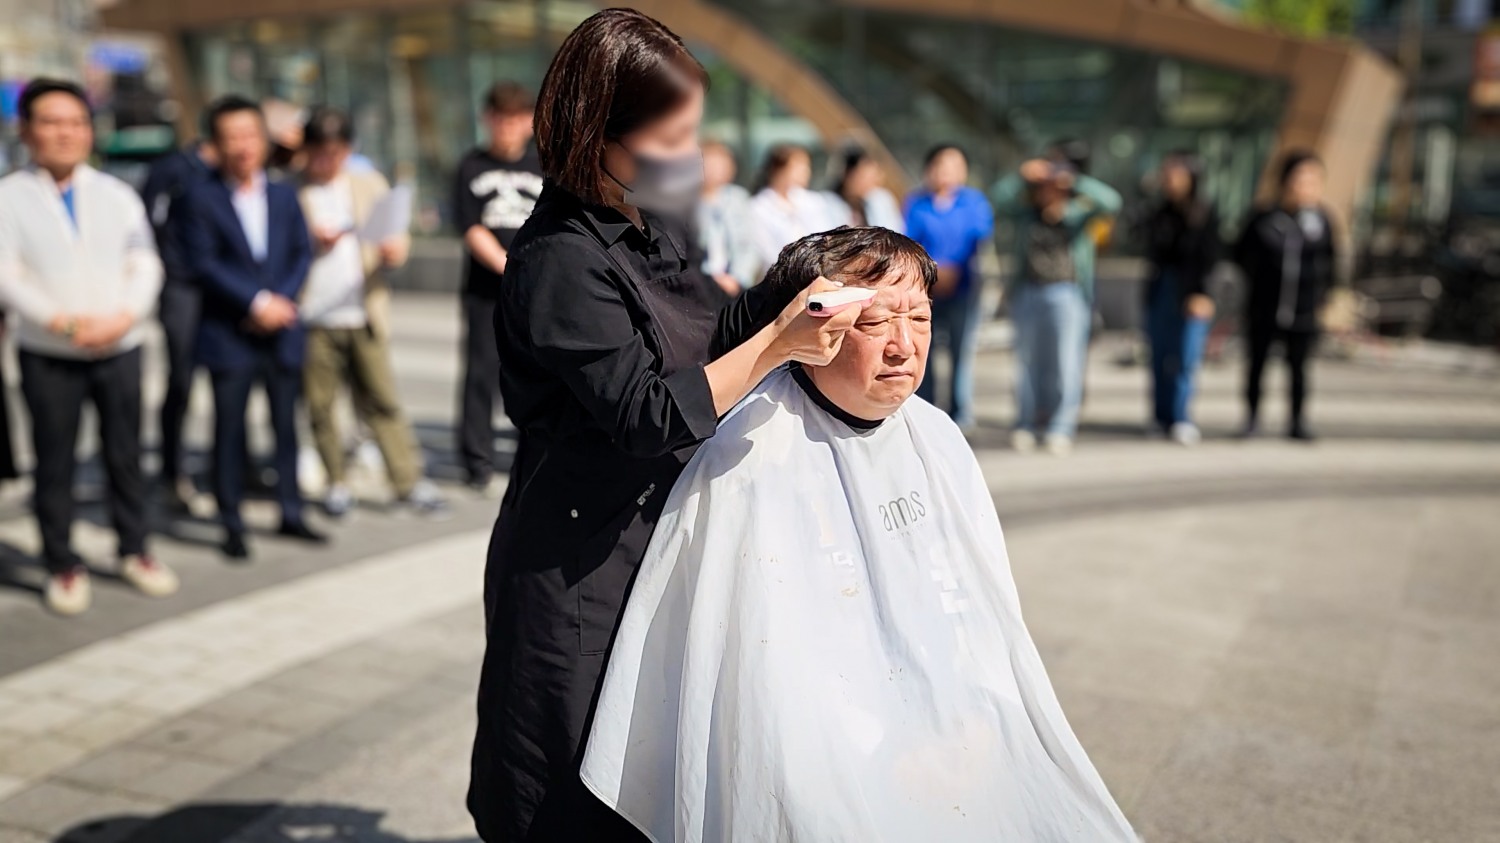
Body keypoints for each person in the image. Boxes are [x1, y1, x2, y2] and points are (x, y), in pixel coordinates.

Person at [581, 227, 1138, 842]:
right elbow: (762, 682)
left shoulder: (938, 438)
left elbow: (977, 615)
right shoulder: (749, 454)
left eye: (920, 319)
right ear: (814, 329)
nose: (904, 347)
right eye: (875, 325)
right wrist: (878, 743)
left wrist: (967, 714)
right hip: (816, 739)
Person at [465, 11, 861, 841]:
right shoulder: (557, 261)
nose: (686, 154)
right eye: (668, 136)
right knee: (566, 784)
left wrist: (798, 288)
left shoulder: (653, 216)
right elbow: (647, 412)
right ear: (596, 130)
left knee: (650, 772)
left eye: (691, 133)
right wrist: (777, 346)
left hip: (659, 538)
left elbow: (708, 328)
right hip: (578, 564)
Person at [0, 78, 178, 615]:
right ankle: (62, 562)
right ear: (26, 131)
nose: (66, 133)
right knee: (54, 463)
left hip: (120, 345)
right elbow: (7, 276)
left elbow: (144, 262)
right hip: (48, 352)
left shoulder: (117, 194)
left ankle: (134, 548)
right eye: (51, 122)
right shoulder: (8, 198)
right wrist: (65, 325)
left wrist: (124, 316)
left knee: (125, 455)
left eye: (76, 122)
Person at [184, 95, 326, 560]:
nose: (242, 146)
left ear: (263, 140)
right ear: (216, 144)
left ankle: (291, 510)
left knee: (286, 427)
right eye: (231, 138)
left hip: (282, 330)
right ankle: (231, 522)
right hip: (230, 333)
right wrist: (256, 301)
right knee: (229, 431)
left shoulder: (285, 194)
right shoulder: (200, 197)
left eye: (249, 135)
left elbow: (301, 252)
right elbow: (203, 263)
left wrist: (280, 301)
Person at [296, 107, 448, 519]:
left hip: (365, 310)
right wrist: (312, 242)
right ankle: (335, 482)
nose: (329, 161)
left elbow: (394, 236)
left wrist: (395, 250)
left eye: (338, 151)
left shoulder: (367, 184)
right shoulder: (292, 191)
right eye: (321, 152)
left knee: (383, 401)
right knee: (321, 407)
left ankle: (407, 480)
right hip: (313, 316)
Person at [994, 157, 1122, 456]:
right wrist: (1020, 175)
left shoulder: (1078, 215)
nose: (1048, 191)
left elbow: (1112, 202)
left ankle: (1061, 425)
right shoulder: (1026, 214)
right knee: (1026, 364)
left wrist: (1074, 180)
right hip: (1028, 292)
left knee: (1066, 363)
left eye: (1054, 185)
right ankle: (1025, 422)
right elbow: (998, 200)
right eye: (1043, 186)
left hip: (1068, 295)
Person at [453, 82, 544, 496]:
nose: (508, 127)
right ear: (486, 119)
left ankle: (532, 452)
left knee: (538, 373)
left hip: (537, 293)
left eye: (516, 118)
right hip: (485, 292)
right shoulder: (470, 166)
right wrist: (508, 266)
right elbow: (471, 228)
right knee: (480, 374)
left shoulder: (544, 165)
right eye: (500, 118)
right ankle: (476, 458)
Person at [1233, 149, 1336, 441]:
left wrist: (1327, 298)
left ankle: (1297, 421)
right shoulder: (1264, 219)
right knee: (1256, 365)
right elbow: (1240, 256)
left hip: (1304, 309)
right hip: (1264, 307)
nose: (1305, 185)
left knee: (1299, 368)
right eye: (1299, 178)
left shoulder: (1321, 222)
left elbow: (1332, 262)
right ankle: (1251, 418)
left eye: (1313, 179)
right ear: (1284, 181)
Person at [141, 133, 219, 510]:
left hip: (222, 287)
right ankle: (173, 473)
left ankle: (233, 468)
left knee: (232, 380)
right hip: (181, 288)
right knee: (182, 380)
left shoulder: (231, 173)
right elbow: (146, 226)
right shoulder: (172, 170)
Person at [904, 144, 994, 429]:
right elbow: (908, 239)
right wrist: (934, 271)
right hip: (925, 290)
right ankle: (925, 405)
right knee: (923, 351)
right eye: (941, 165)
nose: (947, 173)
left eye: (955, 166)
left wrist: (952, 268)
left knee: (961, 351)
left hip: (964, 288)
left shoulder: (974, 202)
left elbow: (977, 237)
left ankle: (960, 411)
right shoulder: (916, 203)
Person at [1141, 151, 1219, 446]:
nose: (1169, 181)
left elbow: (1210, 258)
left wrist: (1203, 293)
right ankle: (1159, 416)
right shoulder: (1159, 213)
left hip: (1192, 292)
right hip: (1161, 288)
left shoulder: (1204, 213)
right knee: (1158, 356)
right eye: (1166, 175)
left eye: (1176, 174)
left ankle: (1181, 416)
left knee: (1186, 357)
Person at [749, 143, 837, 270]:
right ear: (779, 170)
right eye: (799, 166)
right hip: (782, 274)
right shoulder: (758, 207)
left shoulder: (813, 201)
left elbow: (827, 237)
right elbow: (768, 253)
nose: (806, 171)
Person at [694, 139, 758, 292]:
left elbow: (749, 244)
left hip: (735, 283)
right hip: (700, 284)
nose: (714, 170)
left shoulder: (738, 198)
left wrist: (737, 278)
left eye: (720, 165)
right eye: (709, 164)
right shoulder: (687, 202)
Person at [830, 147, 903, 232]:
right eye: (864, 177)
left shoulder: (880, 200)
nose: (871, 183)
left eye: (873, 177)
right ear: (848, 175)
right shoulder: (828, 204)